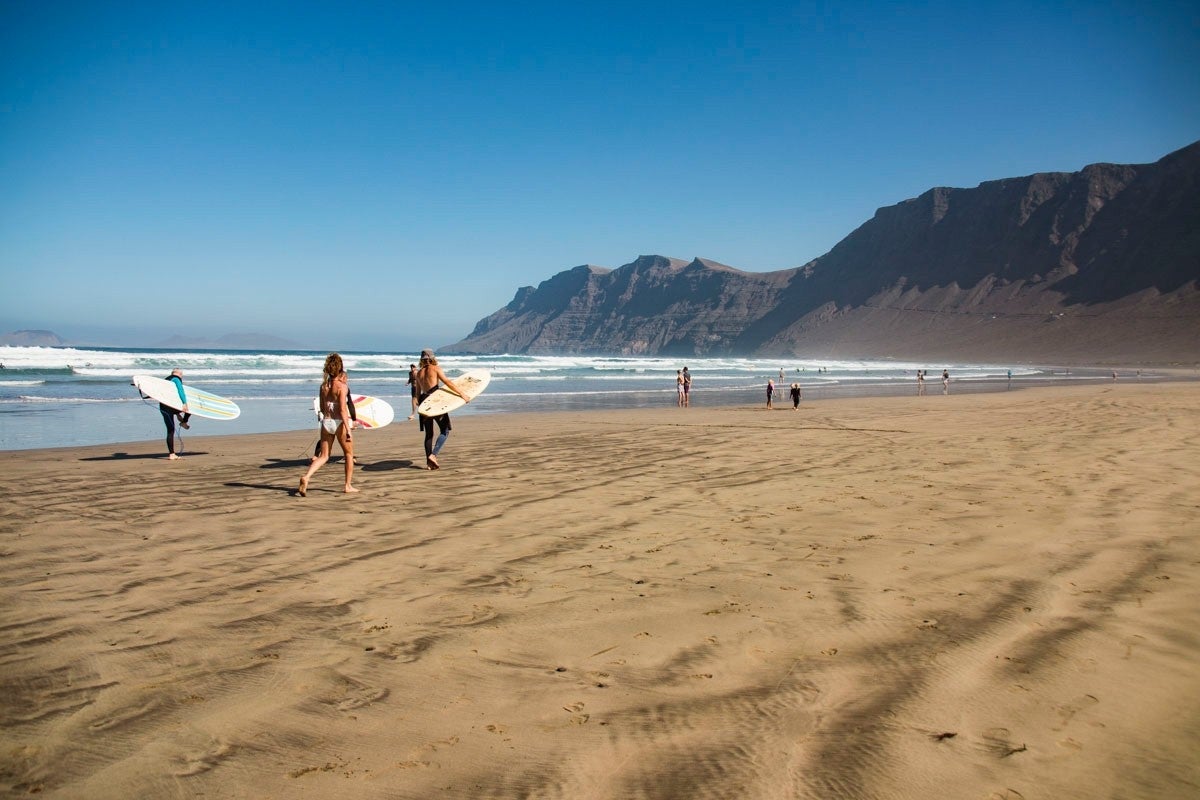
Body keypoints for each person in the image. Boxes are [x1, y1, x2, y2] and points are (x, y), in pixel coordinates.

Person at [298, 353, 357, 496]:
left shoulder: (324, 386)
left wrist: (327, 417)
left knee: (324, 456)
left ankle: (307, 477)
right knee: (349, 454)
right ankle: (348, 486)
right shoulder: (342, 387)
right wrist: (348, 428)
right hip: (338, 423)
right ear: (340, 368)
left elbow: (323, 408)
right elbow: (343, 409)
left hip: (326, 422)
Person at [414, 348, 469, 470]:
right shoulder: (436, 369)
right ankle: (433, 455)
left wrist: (421, 406)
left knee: (429, 434)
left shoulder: (418, 373)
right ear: (432, 357)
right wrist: (462, 394)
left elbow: (417, 394)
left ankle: (429, 463)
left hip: (424, 402)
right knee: (445, 430)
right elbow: (448, 382)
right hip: (435, 401)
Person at [313, 371, 357, 460]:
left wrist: (321, 413)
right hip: (338, 419)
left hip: (327, 417)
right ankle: (349, 457)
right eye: (345, 378)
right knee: (346, 440)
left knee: (326, 439)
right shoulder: (342, 388)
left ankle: (316, 456)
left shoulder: (325, 386)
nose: (346, 380)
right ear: (340, 377)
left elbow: (322, 404)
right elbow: (349, 405)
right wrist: (353, 419)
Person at [160, 368, 191, 460]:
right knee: (189, 410)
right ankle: (184, 421)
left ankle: (178, 415)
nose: (182, 376)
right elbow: (180, 391)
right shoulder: (176, 379)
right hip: (169, 407)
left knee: (170, 430)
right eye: (181, 375)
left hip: (163, 406)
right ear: (178, 374)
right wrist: (184, 403)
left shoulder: (166, 380)